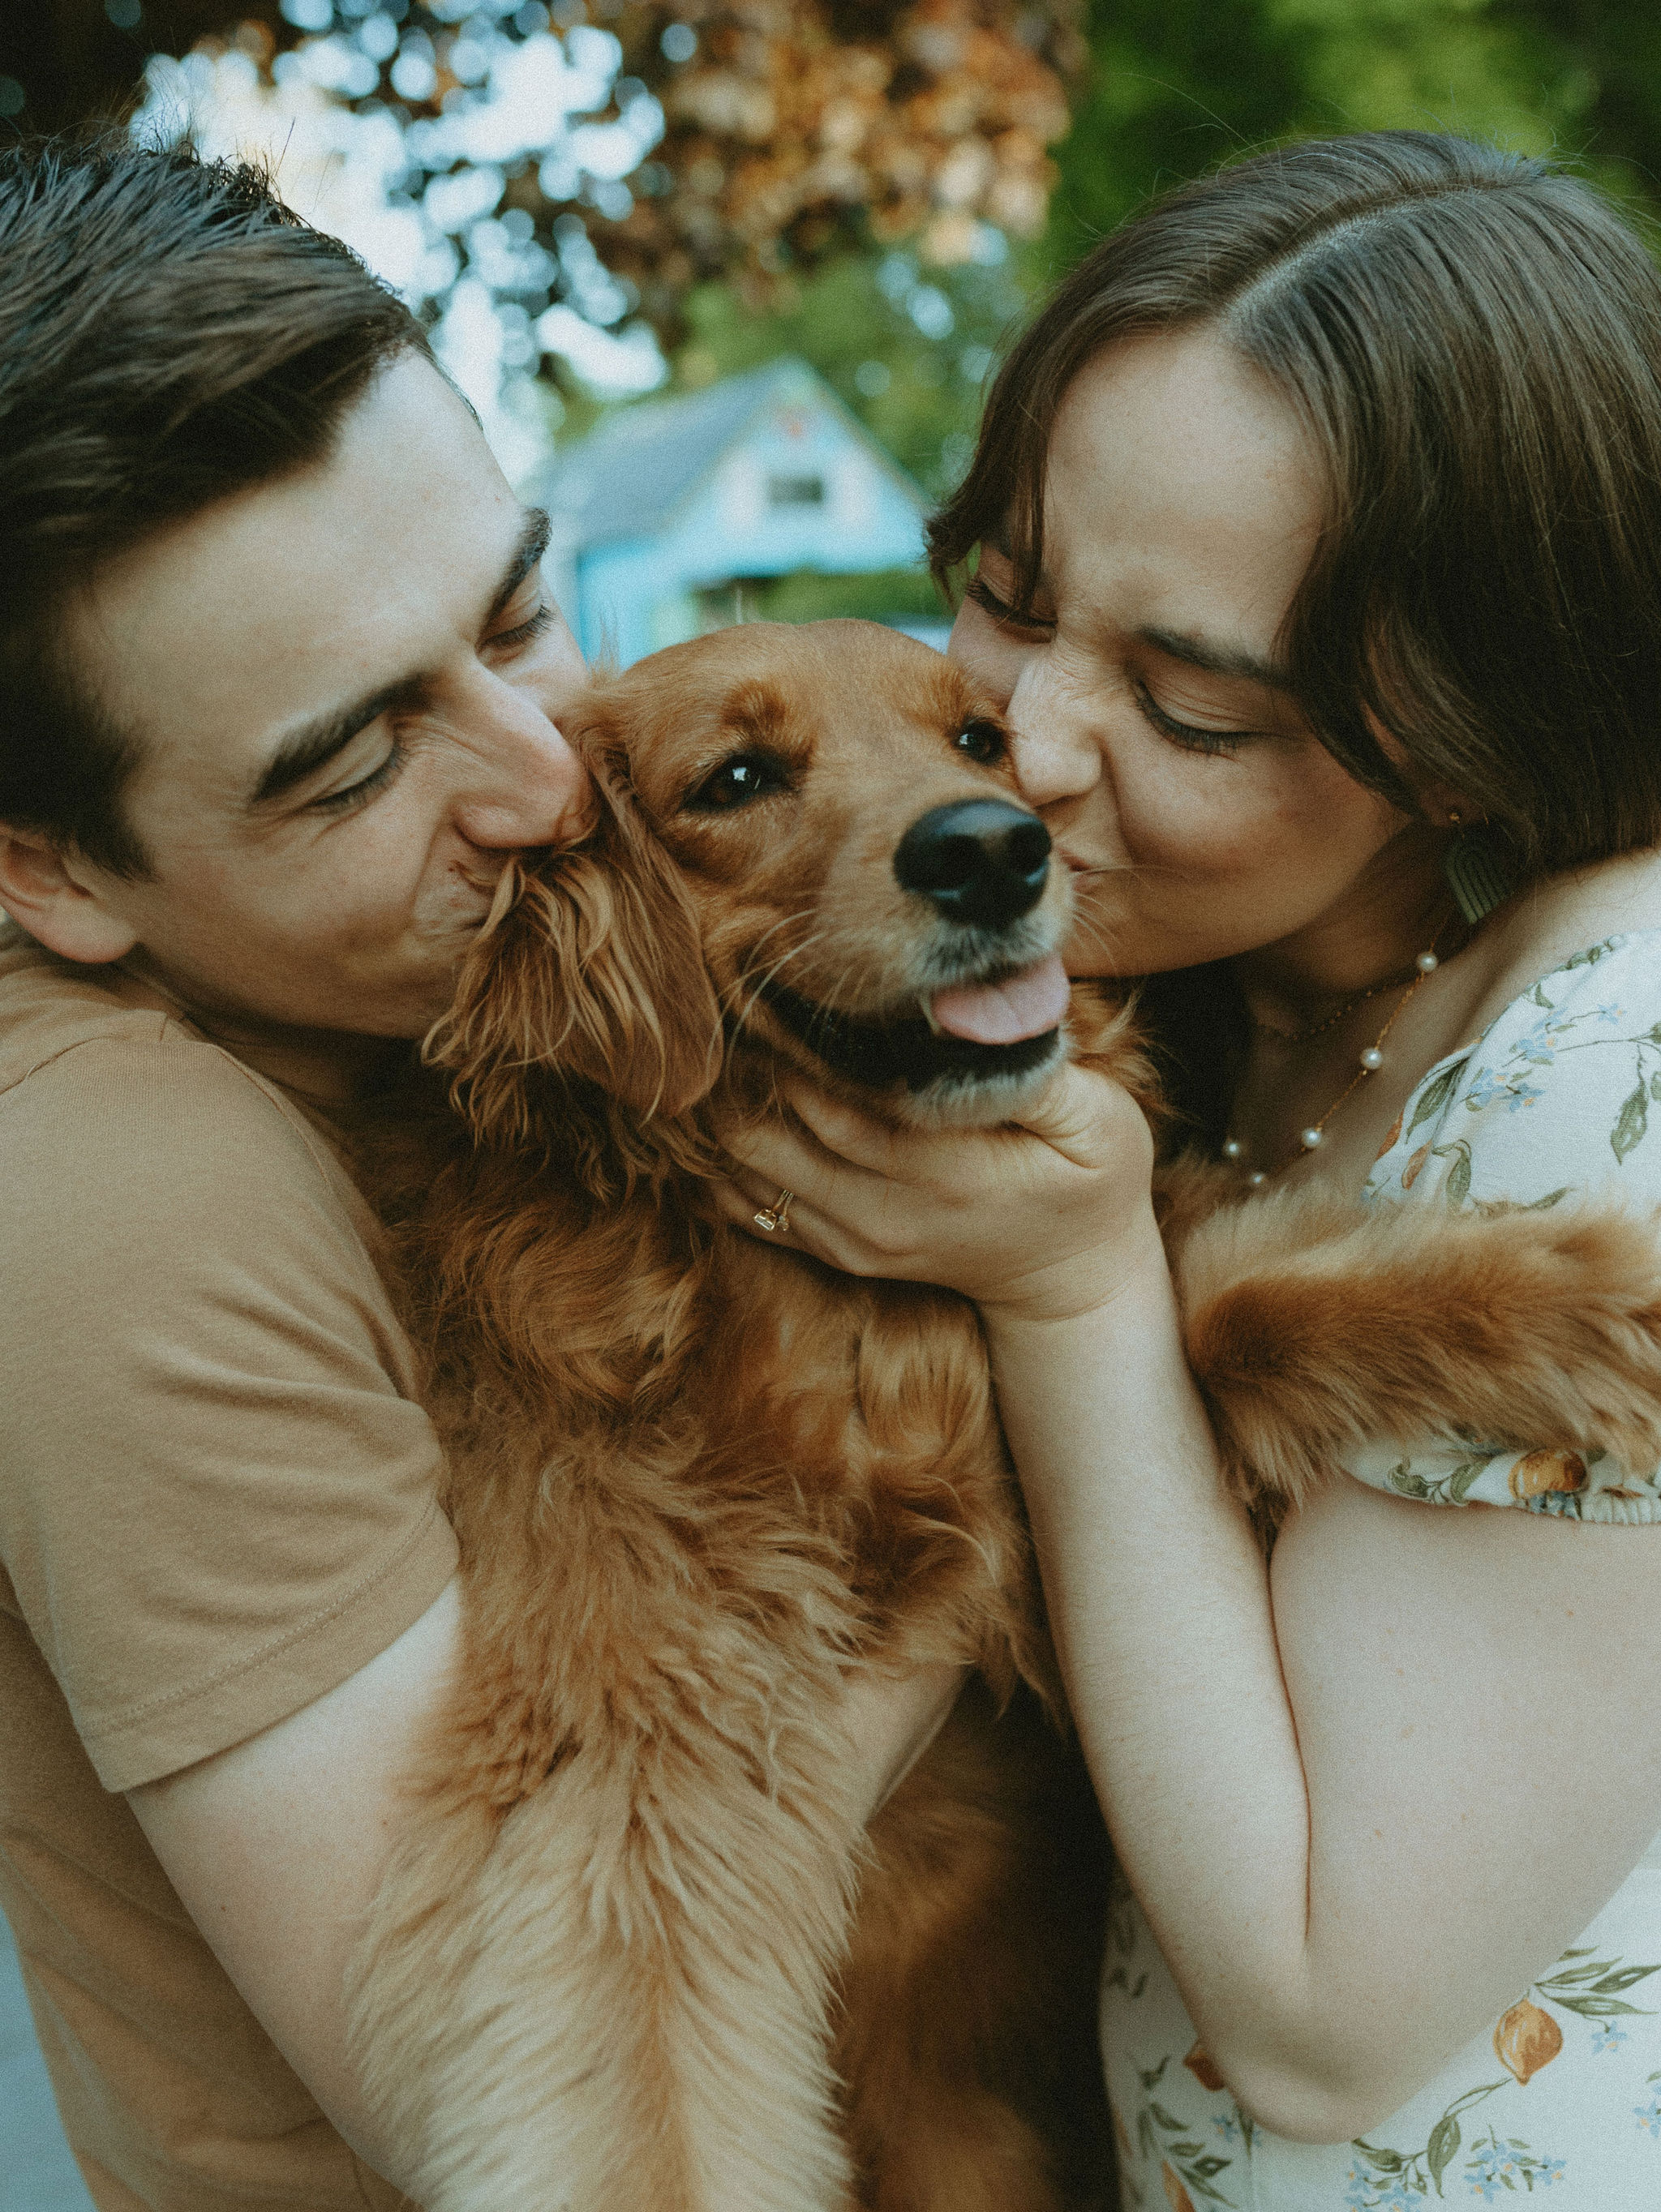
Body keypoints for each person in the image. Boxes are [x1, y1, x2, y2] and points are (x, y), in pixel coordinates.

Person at [0, 135, 948, 2211]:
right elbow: (521, 2108)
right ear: (47, 869)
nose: (549, 776)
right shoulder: (119, 1188)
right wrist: (1005, 1418)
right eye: (352, 761)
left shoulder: (427, 1016)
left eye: (521, 612)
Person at [720, 131, 1661, 2209]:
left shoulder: (1612, 1072)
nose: (1027, 747)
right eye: (1005, 592)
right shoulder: (1171, 993)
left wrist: (1072, 1296)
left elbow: (1325, 2017)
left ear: (1480, 729)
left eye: (1184, 700)